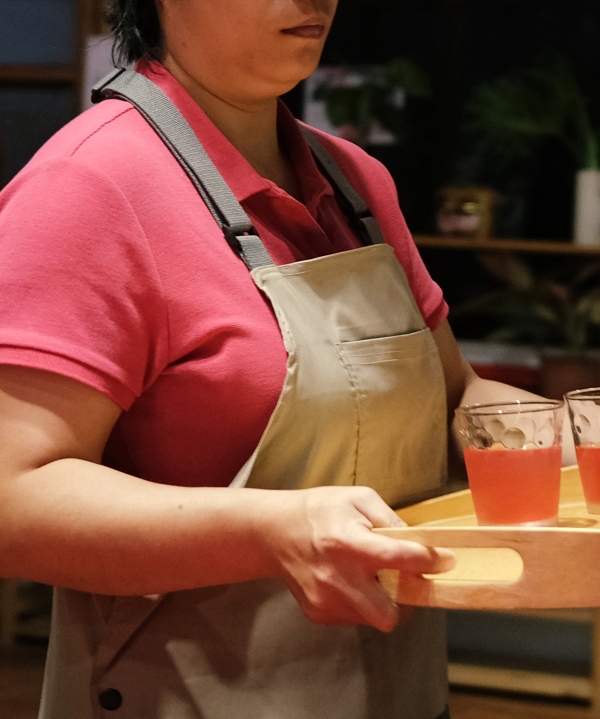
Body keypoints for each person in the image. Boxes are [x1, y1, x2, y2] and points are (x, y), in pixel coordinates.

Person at [0, 1, 540, 717]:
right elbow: (12, 498)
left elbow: (454, 399)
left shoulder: (355, 181)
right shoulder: (90, 184)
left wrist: (597, 434)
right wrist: (269, 532)